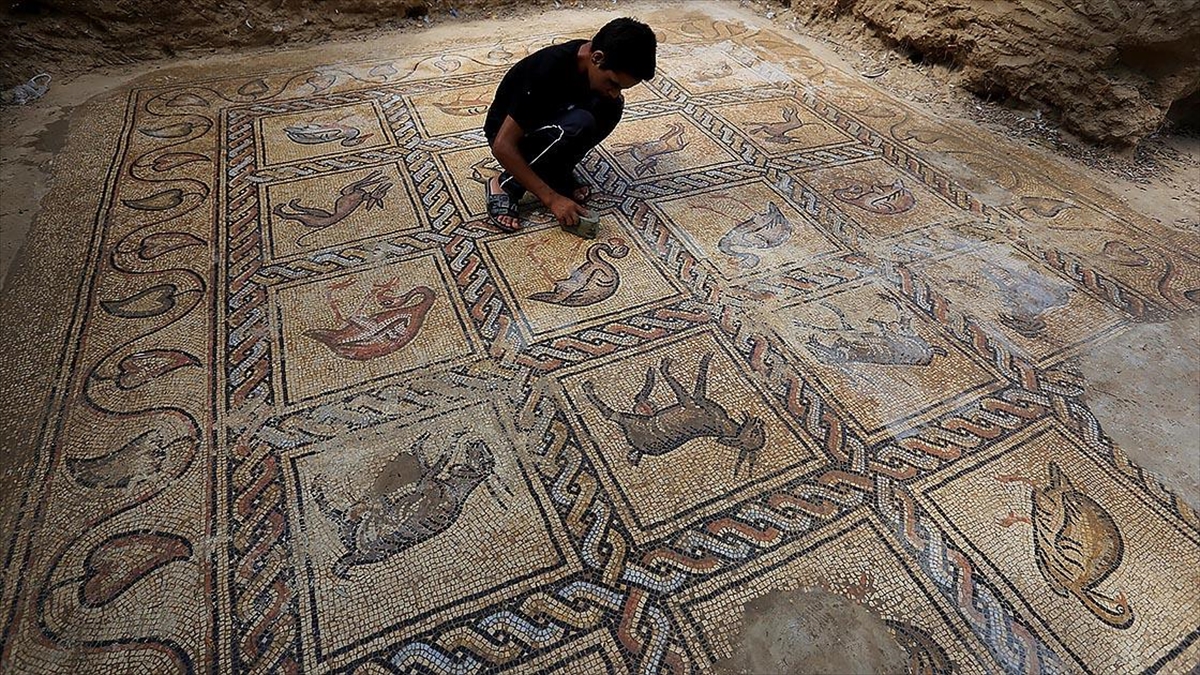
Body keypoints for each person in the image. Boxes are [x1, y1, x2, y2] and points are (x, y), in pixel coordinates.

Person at [483, 17, 657, 232]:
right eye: (613, 83)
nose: (615, 91)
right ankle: (503, 185)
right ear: (596, 58)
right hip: (508, 135)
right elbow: (502, 145)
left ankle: (555, 171)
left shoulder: (596, 60)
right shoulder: (548, 70)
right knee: (578, 123)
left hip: (551, 121)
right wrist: (552, 199)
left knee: (611, 107)